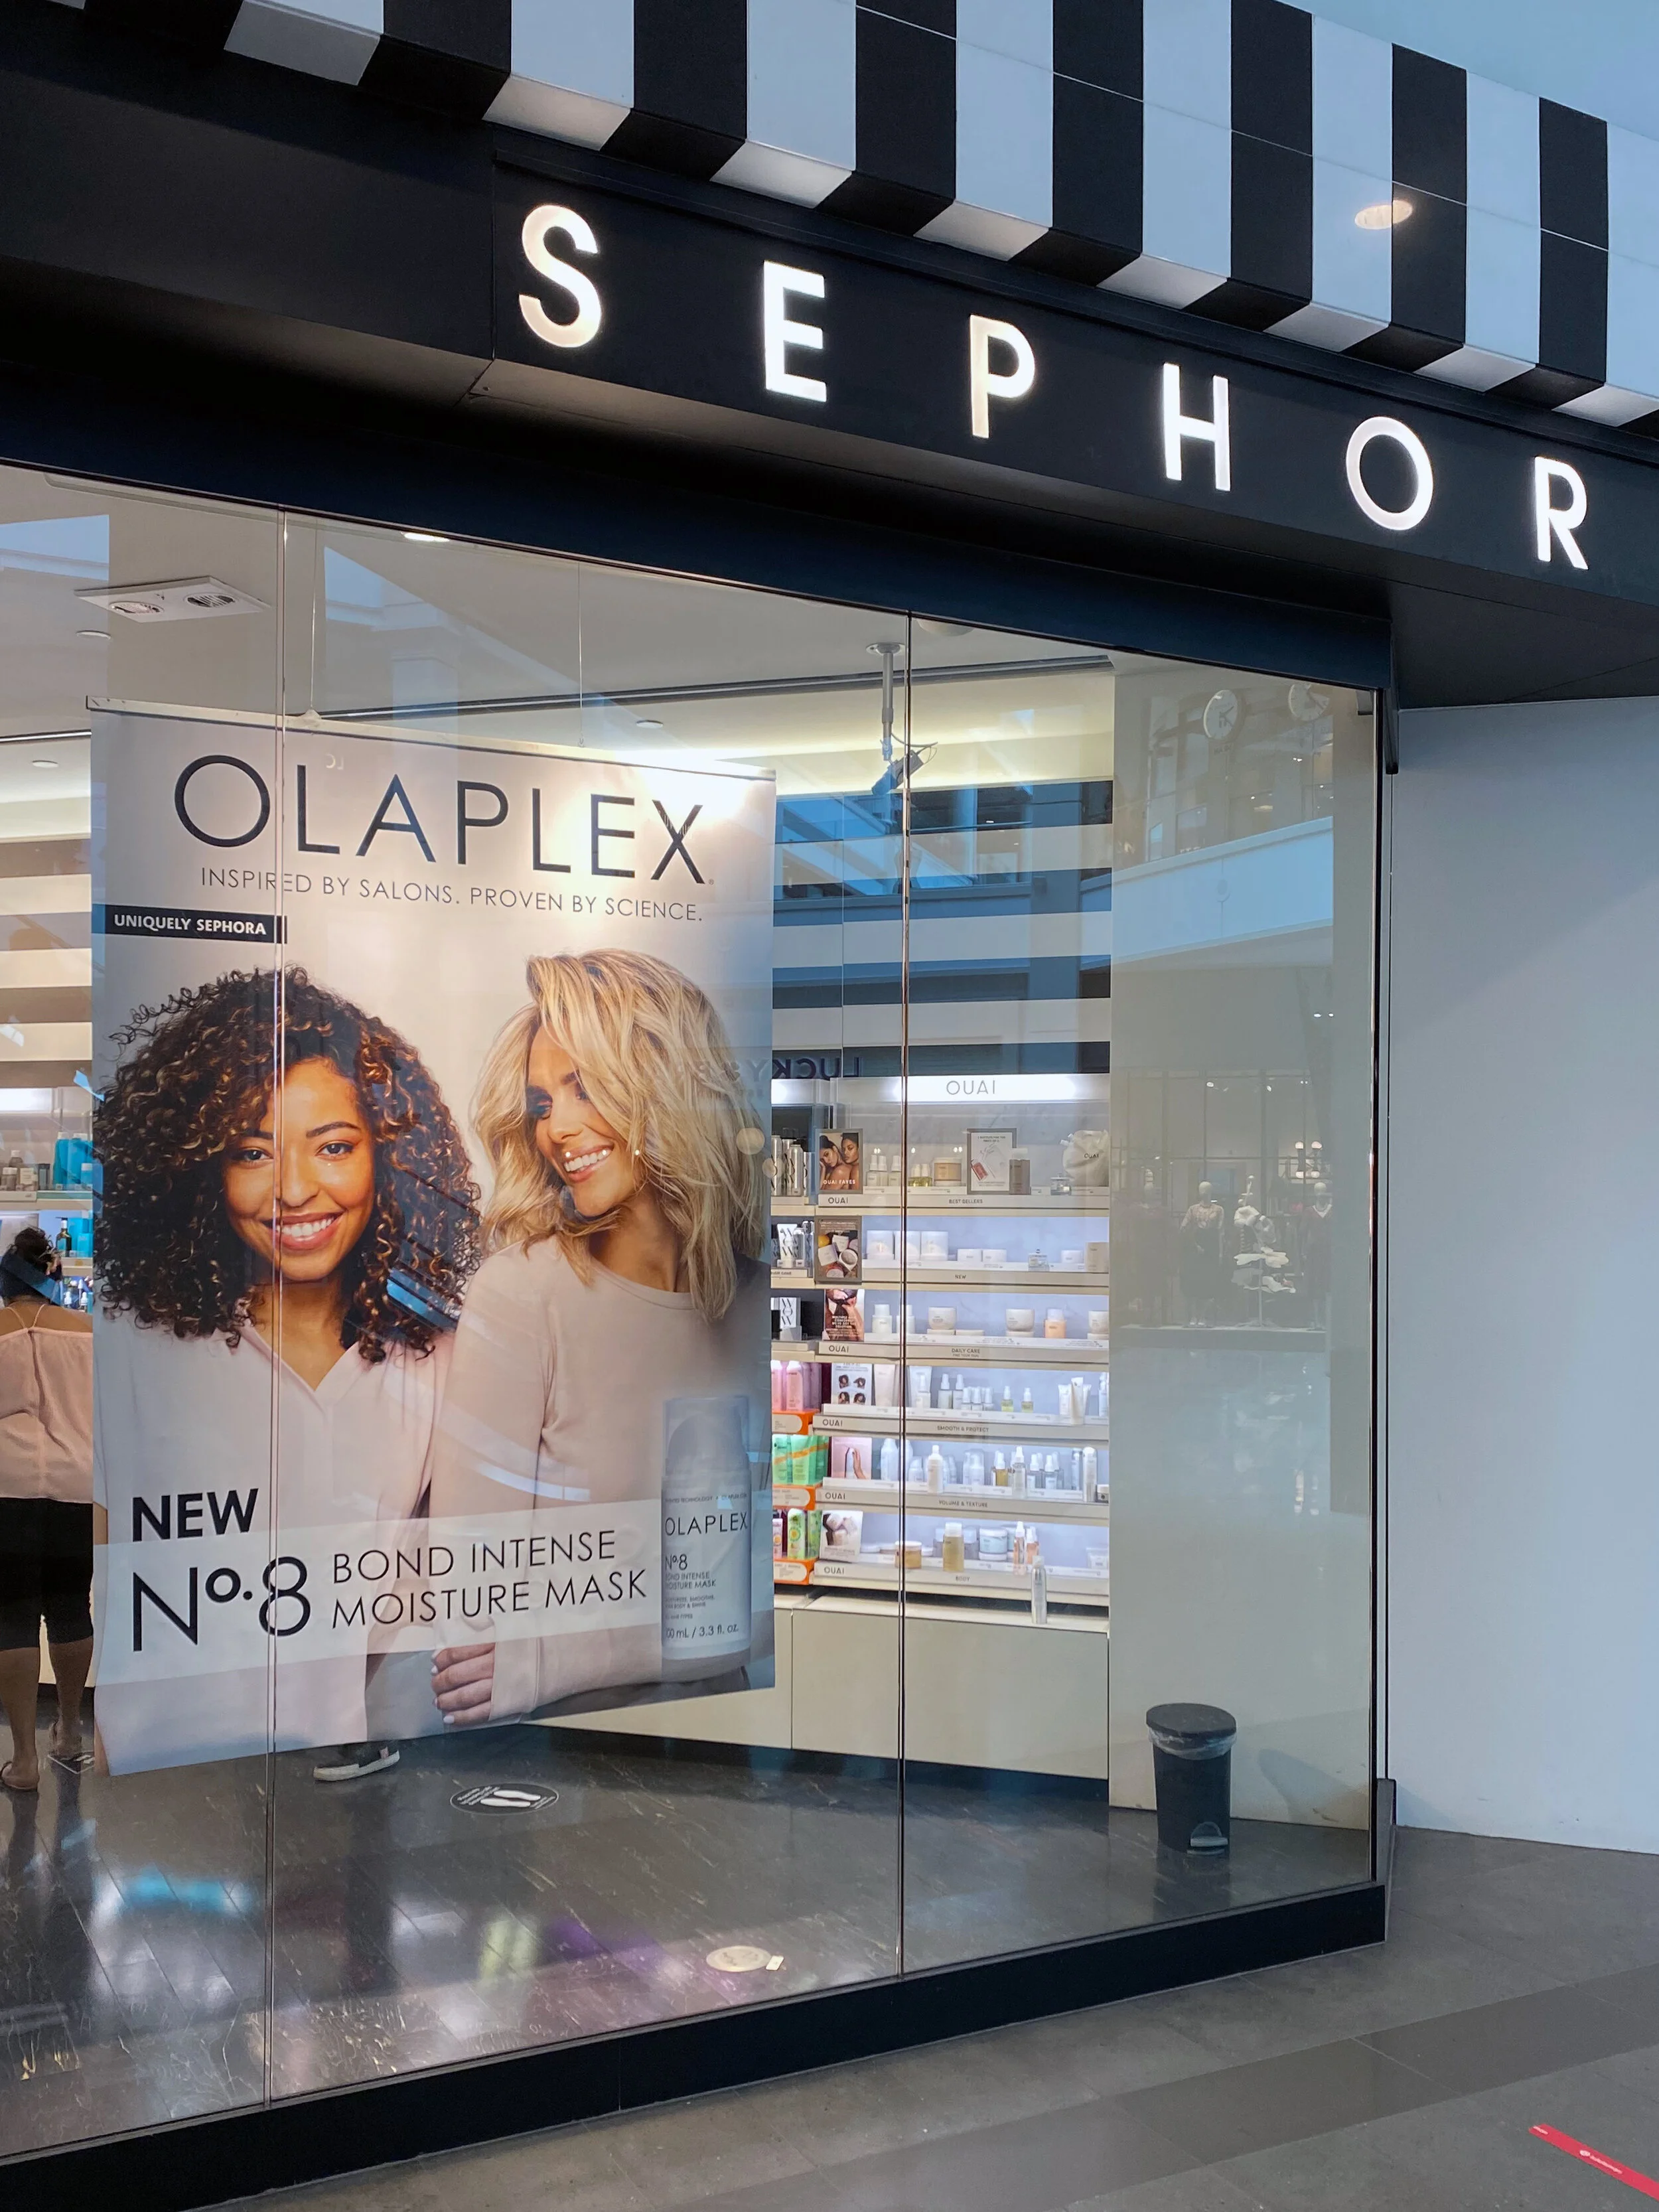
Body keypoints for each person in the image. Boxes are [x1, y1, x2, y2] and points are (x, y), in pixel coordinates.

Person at [94, 968, 479, 1777]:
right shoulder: (136, 1346)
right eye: (252, 1152)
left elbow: (424, 1585)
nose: (296, 1190)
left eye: (334, 1147)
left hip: (340, 1768)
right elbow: (110, 1559)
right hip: (163, 1771)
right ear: (200, 1169)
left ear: (390, 1156)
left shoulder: (434, 1354)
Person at [428, 948, 770, 1728]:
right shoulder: (524, 1296)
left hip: (727, 1724)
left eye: (584, 1086)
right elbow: (470, 1604)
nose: (557, 1129)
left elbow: (760, 1597)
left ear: (666, 1084)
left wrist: (559, 1652)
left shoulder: (754, 1304)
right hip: (566, 1748)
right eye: (542, 1101)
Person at [0, 1227, 93, 1790]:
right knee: (70, 1606)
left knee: (11, 1615)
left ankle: (24, 1759)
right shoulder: (87, 1334)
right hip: (75, 1487)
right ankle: (70, 1732)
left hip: (7, 1489)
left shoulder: (2, 1331)